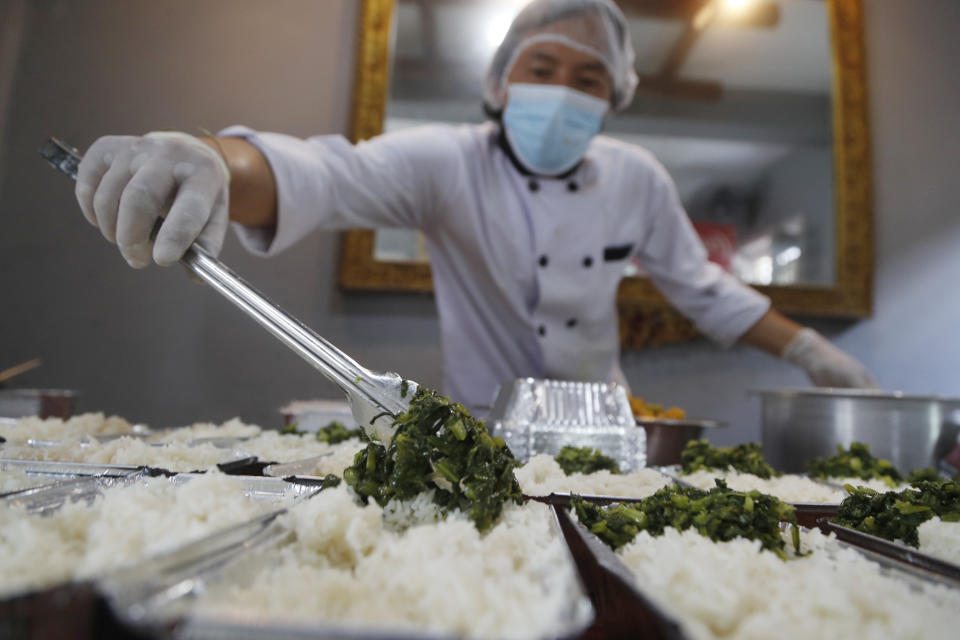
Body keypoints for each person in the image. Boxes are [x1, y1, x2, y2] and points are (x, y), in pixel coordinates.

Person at [73, 0, 875, 414]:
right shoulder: (444, 161)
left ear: (615, 97)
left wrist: (814, 354)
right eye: (542, 67)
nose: (562, 90)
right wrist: (214, 159)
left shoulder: (636, 177)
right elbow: (320, 172)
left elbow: (706, 287)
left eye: (588, 78)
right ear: (500, 83)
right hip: (478, 427)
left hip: (604, 426)